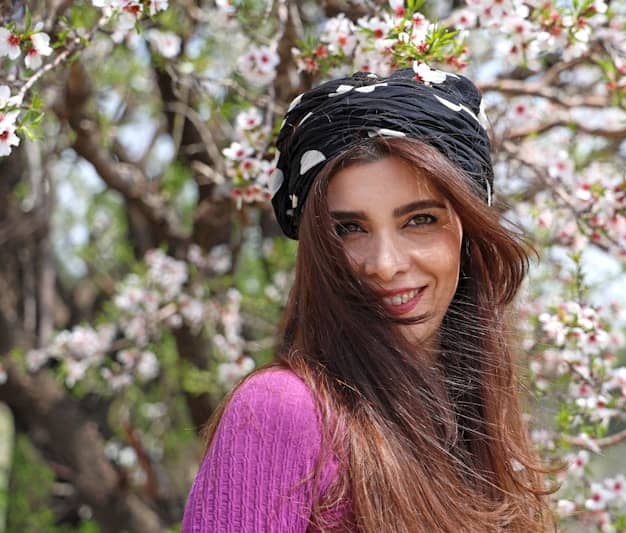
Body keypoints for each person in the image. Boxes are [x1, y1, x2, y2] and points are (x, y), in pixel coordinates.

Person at [182, 67, 556, 532]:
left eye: (419, 220)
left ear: (468, 230)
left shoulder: (474, 430)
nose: (384, 263)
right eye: (349, 229)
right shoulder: (281, 411)